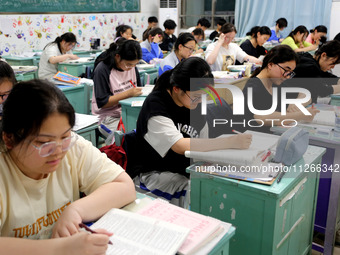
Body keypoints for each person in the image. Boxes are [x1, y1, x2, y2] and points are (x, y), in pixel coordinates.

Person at [0, 79, 135, 255]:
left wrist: (76, 210)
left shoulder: (72, 146)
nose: (58, 152)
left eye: (65, 137)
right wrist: (59, 249)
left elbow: (124, 186)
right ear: (9, 139)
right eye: (43, 143)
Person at [127, 57, 252, 207]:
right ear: (177, 89)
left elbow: (203, 140)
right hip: (152, 174)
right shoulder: (156, 104)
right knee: (199, 192)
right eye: (196, 96)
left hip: (184, 169)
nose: (200, 100)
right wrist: (230, 142)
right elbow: (179, 145)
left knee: (222, 182)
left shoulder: (195, 103)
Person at [240, 45, 319, 133]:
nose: (287, 76)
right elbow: (262, 117)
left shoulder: (276, 83)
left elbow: (304, 94)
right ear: (270, 65)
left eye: (290, 73)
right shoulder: (254, 87)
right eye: (286, 70)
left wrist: (296, 103)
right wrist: (301, 114)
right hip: (255, 137)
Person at [92, 40, 143, 138]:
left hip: (128, 112)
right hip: (107, 117)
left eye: (135, 64)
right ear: (117, 56)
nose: (131, 68)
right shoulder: (102, 69)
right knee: (128, 138)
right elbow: (103, 102)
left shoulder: (132, 68)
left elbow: (138, 91)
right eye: (128, 64)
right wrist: (128, 94)